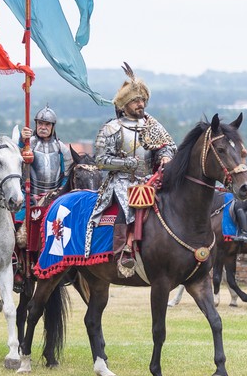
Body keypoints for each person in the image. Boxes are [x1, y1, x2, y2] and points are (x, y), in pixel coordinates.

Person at [92, 63, 176, 272]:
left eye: (142, 100)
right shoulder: (112, 128)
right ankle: (122, 252)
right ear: (124, 105)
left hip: (151, 178)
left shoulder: (151, 124)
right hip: (122, 180)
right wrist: (125, 163)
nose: (141, 104)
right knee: (127, 206)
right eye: (136, 101)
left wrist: (165, 156)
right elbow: (100, 159)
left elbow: (168, 146)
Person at [20, 105, 72, 199]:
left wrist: (60, 192)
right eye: (40, 123)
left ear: (53, 126)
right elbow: (14, 160)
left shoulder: (61, 148)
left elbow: (66, 176)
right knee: (19, 214)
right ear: (36, 124)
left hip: (54, 199)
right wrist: (21, 141)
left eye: (47, 124)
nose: (43, 127)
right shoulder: (28, 144)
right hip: (28, 198)